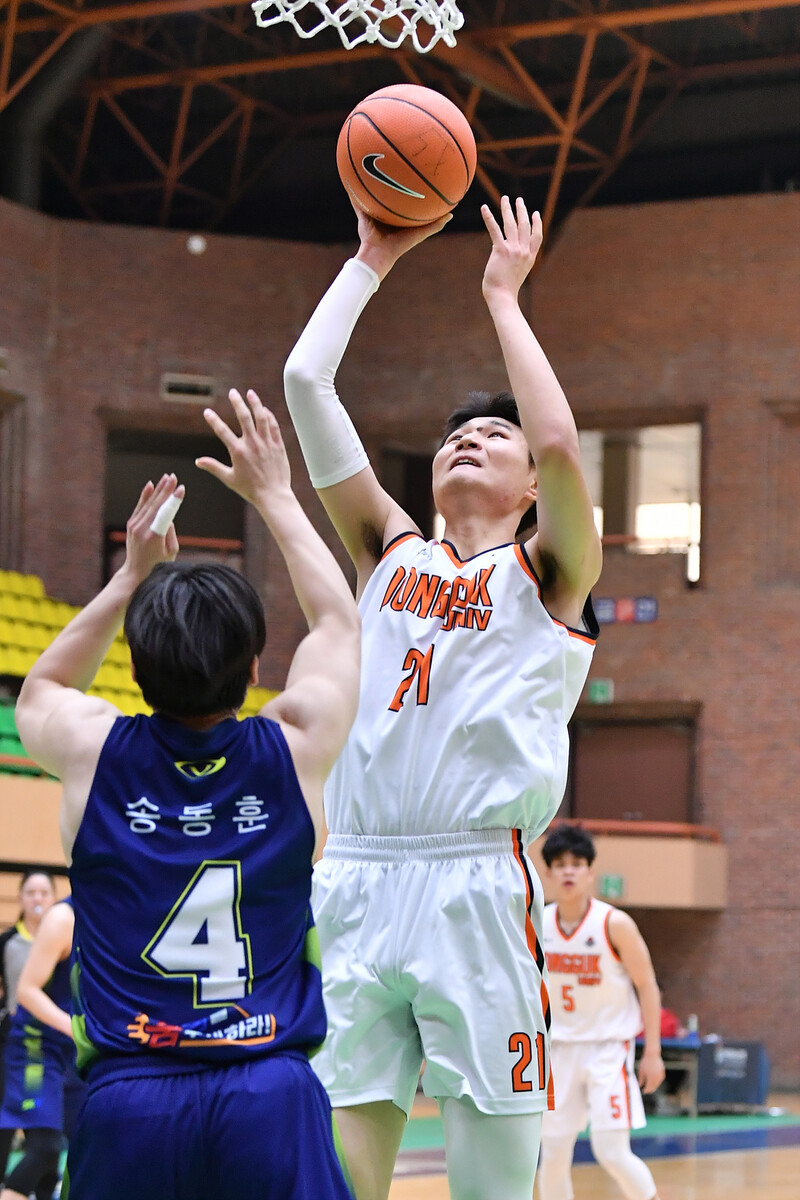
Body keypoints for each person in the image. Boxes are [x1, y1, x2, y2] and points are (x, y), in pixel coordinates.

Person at [282, 196, 602, 1200]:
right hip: (356, 877)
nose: (470, 439)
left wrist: (503, 298)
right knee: (336, 1180)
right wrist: (370, 259)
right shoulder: (388, 552)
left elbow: (561, 445)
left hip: (475, 883)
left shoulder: (549, 572)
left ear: (528, 489)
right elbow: (304, 382)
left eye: (495, 436)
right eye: (457, 434)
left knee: (491, 1186)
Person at [13, 388, 361, 1200]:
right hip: (268, 1092)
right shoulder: (296, 746)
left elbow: (41, 690)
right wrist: (275, 496)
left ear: (133, 672)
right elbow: (339, 624)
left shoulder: (93, 751)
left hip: (130, 1100)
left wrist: (129, 577)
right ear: (254, 670)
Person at [539, 824, 664, 1200]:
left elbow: (647, 985)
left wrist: (653, 1052)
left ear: (591, 871)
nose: (569, 871)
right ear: (548, 873)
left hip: (608, 1049)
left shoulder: (614, 924)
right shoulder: (538, 923)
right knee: (553, 1155)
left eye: (577, 864)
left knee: (611, 1151)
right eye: (560, 864)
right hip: (558, 1050)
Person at [0, 900, 78, 1200]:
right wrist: (76, 1028)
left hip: (73, 1054)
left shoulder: (113, 915)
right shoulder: (63, 918)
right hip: (36, 1047)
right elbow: (26, 991)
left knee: (69, 1158)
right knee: (46, 1148)